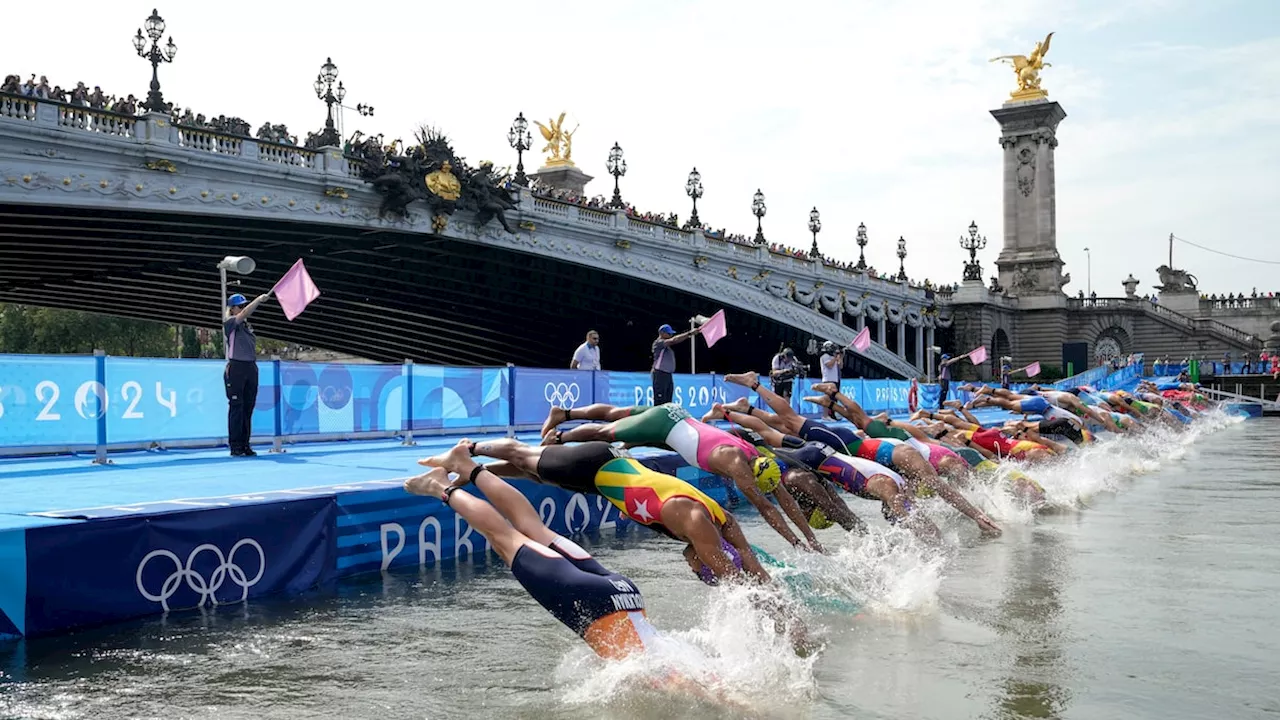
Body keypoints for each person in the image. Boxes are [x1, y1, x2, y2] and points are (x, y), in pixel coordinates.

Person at [405, 440, 658, 659]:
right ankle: (439, 486)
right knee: (504, 538)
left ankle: (467, 465)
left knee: (531, 527)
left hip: (625, 593)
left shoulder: (677, 663)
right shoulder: (666, 675)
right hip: (594, 603)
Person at [542, 402, 825, 551]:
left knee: (619, 413)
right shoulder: (738, 464)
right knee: (604, 431)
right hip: (664, 425)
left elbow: (782, 498)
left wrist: (810, 538)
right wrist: (796, 542)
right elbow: (766, 508)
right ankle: (560, 433)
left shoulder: (756, 455)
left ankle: (569, 413)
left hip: (676, 418)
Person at [223, 292, 271, 457]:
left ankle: (245, 444)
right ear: (233, 309)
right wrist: (258, 300)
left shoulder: (246, 326)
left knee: (248, 408)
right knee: (237, 407)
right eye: (240, 306)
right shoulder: (230, 323)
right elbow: (244, 314)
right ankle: (235, 445)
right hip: (236, 367)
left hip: (250, 367)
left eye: (244, 305)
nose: (243, 309)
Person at [651, 324, 697, 405]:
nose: (671, 335)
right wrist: (689, 333)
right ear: (662, 333)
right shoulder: (658, 343)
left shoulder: (667, 347)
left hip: (667, 375)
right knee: (660, 401)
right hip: (660, 374)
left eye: (671, 333)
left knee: (668, 401)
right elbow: (674, 340)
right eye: (669, 333)